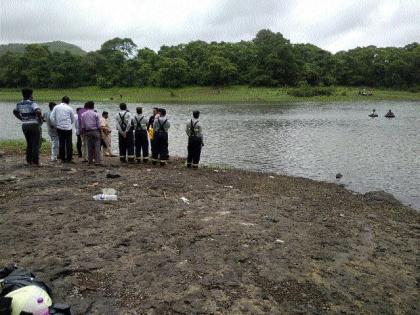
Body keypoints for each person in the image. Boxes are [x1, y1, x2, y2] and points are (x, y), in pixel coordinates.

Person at [12, 88, 42, 166]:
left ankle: (29, 161)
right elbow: (38, 111)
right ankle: (35, 162)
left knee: (29, 143)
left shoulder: (19, 103)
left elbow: (15, 112)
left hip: (24, 125)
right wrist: (39, 119)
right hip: (33, 124)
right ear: (30, 95)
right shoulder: (32, 103)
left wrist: (21, 118)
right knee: (35, 144)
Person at [50, 96, 74, 163]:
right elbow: (72, 119)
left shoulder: (56, 107)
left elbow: (51, 117)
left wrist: (56, 125)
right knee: (69, 143)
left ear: (62, 100)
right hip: (68, 128)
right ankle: (69, 159)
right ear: (68, 101)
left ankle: (62, 158)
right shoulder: (70, 108)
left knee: (61, 143)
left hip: (59, 128)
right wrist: (69, 124)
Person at [81, 101, 102, 165]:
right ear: (93, 106)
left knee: (89, 146)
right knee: (97, 147)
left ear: (87, 106)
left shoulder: (83, 114)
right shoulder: (96, 114)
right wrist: (100, 133)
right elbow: (98, 125)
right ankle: (97, 161)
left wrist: (84, 133)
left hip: (87, 131)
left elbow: (83, 125)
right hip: (95, 131)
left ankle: (90, 161)